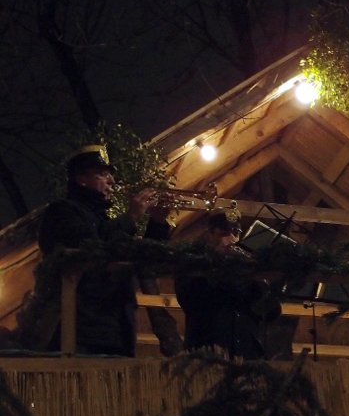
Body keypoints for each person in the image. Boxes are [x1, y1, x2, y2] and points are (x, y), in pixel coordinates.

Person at [35, 144, 176, 356]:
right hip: (80, 329)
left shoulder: (105, 220)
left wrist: (156, 223)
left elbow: (142, 258)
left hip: (119, 326)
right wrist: (131, 217)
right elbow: (91, 244)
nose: (112, 181)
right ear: (81, 178)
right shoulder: (62, 211)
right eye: (103, 174)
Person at [175, 210, 282, 359]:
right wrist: (220, 264)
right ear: (210, 234)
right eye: (224, 233)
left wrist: (257, 278)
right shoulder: (195, 265)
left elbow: (272, 312)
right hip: (206, 353)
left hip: (248, 355)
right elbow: (189, 300)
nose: (231, 239)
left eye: (236, 234)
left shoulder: (249, 269)